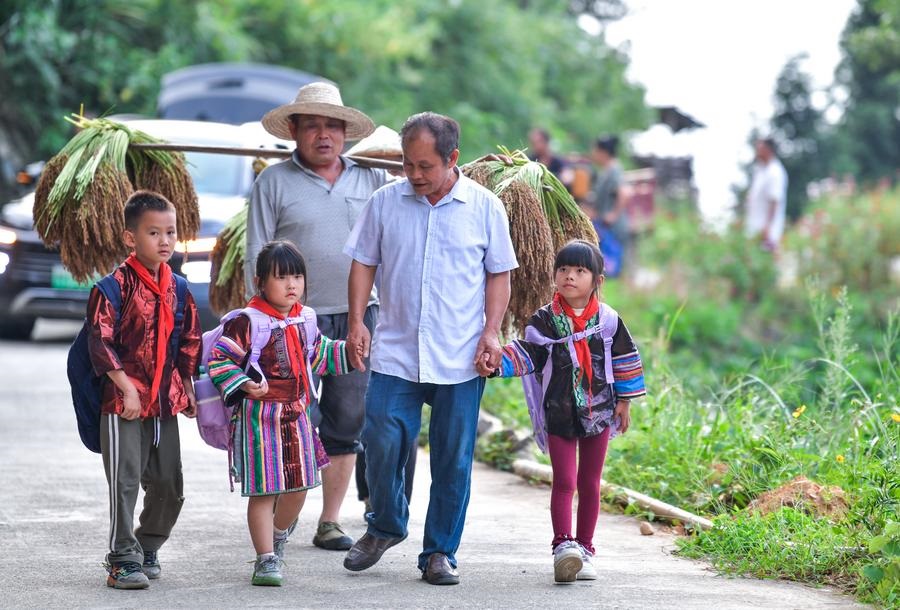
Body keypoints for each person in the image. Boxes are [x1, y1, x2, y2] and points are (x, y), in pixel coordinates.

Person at [342, 112, 518, 585]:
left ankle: (440, 552)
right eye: (407, 164)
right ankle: (386, 524)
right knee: (379, 437)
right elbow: (363, 263)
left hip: (460, 356)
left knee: (452, 458)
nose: (414, 175)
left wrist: (492, 331)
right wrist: (358, 322)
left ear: (452, 159)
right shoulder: (384, 203)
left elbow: (499, 273)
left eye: (425, 166)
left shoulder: (484, 207)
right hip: (396, 350)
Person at [247, 82, 388, 552]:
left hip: (356, 319)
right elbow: (256, 256)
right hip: (290, 324)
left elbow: (387, 246)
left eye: (333, 126)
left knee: (347, 417)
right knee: (290, 418)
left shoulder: (372, 178)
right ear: (294, 131)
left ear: (346, 133)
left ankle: (329, 521)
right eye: (313, 126)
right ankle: (283, 522)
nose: (324, 135)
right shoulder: (272, 182)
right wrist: (263, 325)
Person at [478, 239, 646, 584]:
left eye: (579, 271)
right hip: (559, 411)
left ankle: (585, 549)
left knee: (590, 483)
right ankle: (562, 547)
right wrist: (496, 362)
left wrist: (624, 403)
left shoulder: (609, 321)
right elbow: (528, 355)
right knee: (565, 481)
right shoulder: (543, 321)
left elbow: (624, 359)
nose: (569, 276)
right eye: (563, 269)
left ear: (597, 280)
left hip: (598, 411)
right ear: (554, 275)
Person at [209, 240, 364, 586]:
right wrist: (245, 384)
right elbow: (219, 360)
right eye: (281, 278)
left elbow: (319, 356)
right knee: (264, 491)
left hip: (297, 418)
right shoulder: (247, 322)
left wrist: (351, 352)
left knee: (299, 487)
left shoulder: (306, 320)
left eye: (297, 276)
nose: (291, 284)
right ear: (261, 281)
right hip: (257, 421)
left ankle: (278, 536)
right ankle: (265, 559)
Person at [86, 190, 201, 589]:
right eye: (154, 233)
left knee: (169, 484)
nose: (165, 241)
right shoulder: (112, 287)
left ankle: (147, 544)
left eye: (170, 232)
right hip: (122, 404)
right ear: (130, 238)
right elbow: (99, 342)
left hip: (165, 402)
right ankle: (122, 559)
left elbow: (188, 341)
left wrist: (187, 388)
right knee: (126, 481)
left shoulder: (180, 289)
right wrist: (125, 388)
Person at [587, 135, 629, 276]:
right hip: (605, 224)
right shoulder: (606, 170)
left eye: (595, 150)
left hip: (613, 226)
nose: (593, 154)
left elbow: (624, 192)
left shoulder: (614, 169)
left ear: (603, 152)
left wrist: (613, 215)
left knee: (614, 265)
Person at [744, 138, 788, 251]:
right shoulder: (761, 170)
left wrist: (767, 226)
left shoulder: (775, 172)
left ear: (768, 150)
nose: (757, 152)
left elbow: (775, 200)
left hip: (767, 231)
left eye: (759, 148)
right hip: (754, 228)